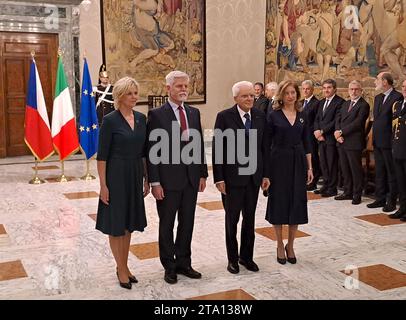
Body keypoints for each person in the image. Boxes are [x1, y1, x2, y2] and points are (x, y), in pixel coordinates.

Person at [146, 71, 208, 284]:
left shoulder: (193, 113)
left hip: (191, 179)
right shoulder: (156, 114)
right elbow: (152, 150)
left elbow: (197, 144)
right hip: (167, 180)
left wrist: (202, 173)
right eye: (179, 86)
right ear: (168, 89)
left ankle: (184, 262)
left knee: (187, 223)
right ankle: (169, 265)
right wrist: (155, 182)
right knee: (167, 224)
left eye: (186, 86)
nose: (183, 89)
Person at [96, 77, 150, 290]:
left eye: (136, 93)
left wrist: (146, 178)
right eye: (130, 93)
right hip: (116, 175)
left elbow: (144, 152)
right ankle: (120, 268)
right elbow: (102, 157)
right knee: (116, 225)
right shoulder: (110, 120)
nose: (135, 97)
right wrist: (103, 185)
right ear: (120, 96)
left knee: (129, 224)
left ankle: (124, 266)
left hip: (135, 173)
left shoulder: (141, 118)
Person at [212, 81, 270, 274]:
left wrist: (266, 174)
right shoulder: (224, 117)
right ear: (235, 98)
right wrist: (218, 178)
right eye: (245, 96)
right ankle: (233, 260)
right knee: (232, 220)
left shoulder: (261, 116)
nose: (249, 99)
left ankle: (247, 257)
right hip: (232, 179)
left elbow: (264, 148)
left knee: (250, 220)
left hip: (253, 178)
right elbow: (218, 148)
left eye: (252, 95)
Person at [265, 80, 313, 265]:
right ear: (281, 96)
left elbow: (307, 142)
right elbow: (267, 145)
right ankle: (279, 244)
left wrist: (310, 167)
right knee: (279, 202)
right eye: (287, 93)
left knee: (297, 202)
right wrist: (266, 172)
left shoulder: (303, 115)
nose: (290, 96)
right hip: (278, 162)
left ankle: (291, 245)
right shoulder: (273, 115)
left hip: (298, 161)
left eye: (293, 93)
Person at [367, 72, 403, 212]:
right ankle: (380, 198)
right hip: (377, 140)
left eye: (377, 79)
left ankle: (391, 200)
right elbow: (377, 120)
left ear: (385, 82)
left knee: (391, 172)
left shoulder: (397, 97)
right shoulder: (377, 98)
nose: (375, 82)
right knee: (380, 171)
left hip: (389, 142)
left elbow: (395, 122)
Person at [334, 80, 370, 205]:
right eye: (351, 89)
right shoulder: (345, 103)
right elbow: (338, 118)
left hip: (354, 141)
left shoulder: (364, 105)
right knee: (345, 168)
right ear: (348, 91)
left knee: (355, 169)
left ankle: (357, 194)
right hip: (342, 141)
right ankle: (347, 192)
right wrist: (337, 133)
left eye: (356, 89)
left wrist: (341, 132)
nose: (353, 91)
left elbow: (358, 123)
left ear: (361, 90)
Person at [313, 79, 345, 197]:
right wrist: (316, 130)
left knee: (332, 163)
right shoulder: (321, 102)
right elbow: (317, 118)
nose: (326, 90)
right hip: (320, 138)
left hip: (331, 138)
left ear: (334, 89)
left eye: (329, 87)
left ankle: (332, 188)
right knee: (323, 163)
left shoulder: (340, 102)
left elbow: (336, 121)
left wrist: (322, 131)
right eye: (324, 88)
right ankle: (325, 185)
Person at [389, 79, 406, 221]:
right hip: (398, 148)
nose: (405, 89)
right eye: (404, 86)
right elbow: (394, 128)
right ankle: (403, 208)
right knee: (401, 181)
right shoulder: (398, 104)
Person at [300, 80, 320, 191]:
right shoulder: (300, 102)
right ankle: (305, 179)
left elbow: (317, 120)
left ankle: (313, 181)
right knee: (303, 158)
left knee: (313, 159)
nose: (305, 90)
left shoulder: (316, 103)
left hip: (311, 135)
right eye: (303, 88)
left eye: (307, 88)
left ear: (312, 89)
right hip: (301, 135)